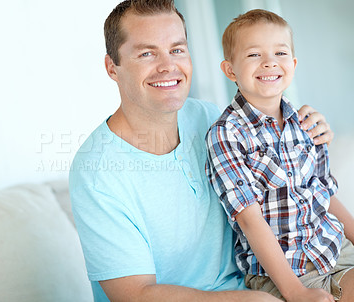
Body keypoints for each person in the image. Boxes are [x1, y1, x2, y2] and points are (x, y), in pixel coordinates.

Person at [70, 1, 334, 301]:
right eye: (147, 53)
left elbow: (289, 184)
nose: (168, 66)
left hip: (256, 284)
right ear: (111, 67)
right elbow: (133, 294)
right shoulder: (95, 172)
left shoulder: (211, 119)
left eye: (177, 49)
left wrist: (310, 130)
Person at [205, 9, 354, 302]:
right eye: (253, 55)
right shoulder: (226, 134)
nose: (270, 61)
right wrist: (295, 292)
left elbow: (325, 192)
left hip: (335, 248)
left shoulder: (305, 122)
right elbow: (250, 220)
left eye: (280, 52)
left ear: (293, 64)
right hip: (287, 272)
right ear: (230, 70)